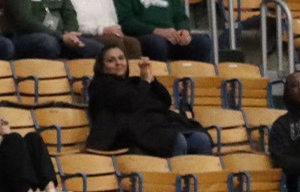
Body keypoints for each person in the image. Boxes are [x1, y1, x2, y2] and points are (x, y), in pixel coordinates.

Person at [85, 47, 213, 158]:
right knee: (177, 141)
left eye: (121, 58)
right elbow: (130, 102)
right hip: (124, 134)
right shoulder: (100, 85)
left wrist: (151, 80)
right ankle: (174, 182)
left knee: (200, 139)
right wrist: (144, 82)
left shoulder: (134, 82)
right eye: (111, 60)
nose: (118, 63)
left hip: (153, 127)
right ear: (102, 67)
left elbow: (165, 101)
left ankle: (200, 183)